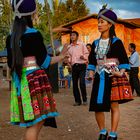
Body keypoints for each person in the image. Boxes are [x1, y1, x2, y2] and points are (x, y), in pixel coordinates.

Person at [6, 0, 68, 140]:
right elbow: (45, 62)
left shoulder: (11, 37)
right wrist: (62, 56)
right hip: (35, 81)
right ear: (32, 14)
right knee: (35, 123)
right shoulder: (34, 34)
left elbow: (11, 64)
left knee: (33, 122)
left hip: (21, 83)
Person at [87, 5, 131, 140]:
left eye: (102, 22)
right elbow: (92, 61)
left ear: (110, 24)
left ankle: (113, 133)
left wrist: (121, 72)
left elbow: (124, 60)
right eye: (98, 22)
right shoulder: (95, 43)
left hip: (113, 76)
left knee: (113, 106)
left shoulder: (117, 42)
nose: (99, 25)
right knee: (97, 106)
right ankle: (102, 131)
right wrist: (91, 72)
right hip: (100, 77)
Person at [67, 31, 89, 106]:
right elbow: (69, 57)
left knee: (82, 83)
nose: (72, 36)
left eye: (73, 35)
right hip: (74, 66)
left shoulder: (82, 44)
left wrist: (84, 57)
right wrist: (69, 62)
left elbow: (87, 53)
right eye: (71, 35)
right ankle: (77, 101)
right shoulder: (69, 47)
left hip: (82, 65)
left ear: (77, 36)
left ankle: (85, 99)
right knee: (75, 84)